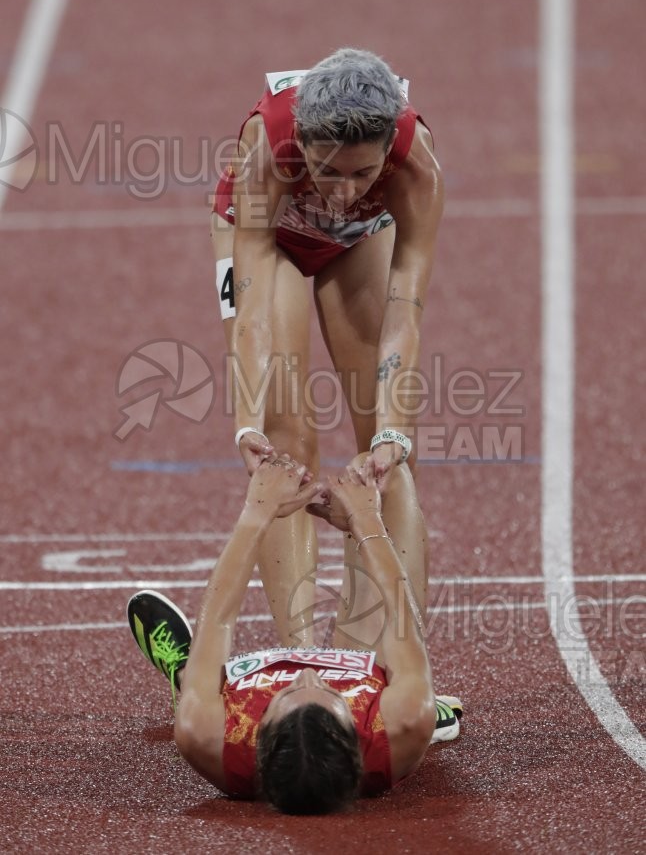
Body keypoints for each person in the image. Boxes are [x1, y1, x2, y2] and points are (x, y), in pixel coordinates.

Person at [210, 48, 444, 644]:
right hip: (273, 237)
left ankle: (397, 660)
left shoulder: (417, 165)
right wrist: (245, 423)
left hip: (362, 240)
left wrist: (394, 430)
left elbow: (404, 311)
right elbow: (254, 314)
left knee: (389, 452)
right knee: (284, 440)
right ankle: (304, 660)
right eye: (328, 170)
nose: (342, 191)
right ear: (305, 145)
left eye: (363, 174)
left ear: (389, 147)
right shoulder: (267, 148)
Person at [127, 454, 462, 814]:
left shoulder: (207, 733)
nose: (308, 674)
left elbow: (219, 619)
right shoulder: (401, 722)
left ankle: (186, 673)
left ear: (260, 736)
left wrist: (258, 511)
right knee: (388, 480)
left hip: (239, 704)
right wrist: (364, 519)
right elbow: (401, 617)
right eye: (328, 694)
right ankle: (417, 689)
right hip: (378, 690)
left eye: (286, 694)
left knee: (276, 466)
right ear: (356, 734)